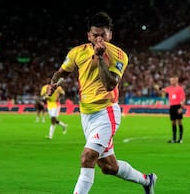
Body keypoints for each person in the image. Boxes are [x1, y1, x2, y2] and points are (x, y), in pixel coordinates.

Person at [47, 11, 156, 194]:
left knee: (87, 157)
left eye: (103, 35)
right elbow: (61, 73)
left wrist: (99, 57)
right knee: (108, 167)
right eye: (95, 35)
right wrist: (53, 84)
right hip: (86, 115)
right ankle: (147, 180)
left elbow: (109, 84)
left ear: (110, 35)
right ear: (89, 35)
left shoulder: (119, 55)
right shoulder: (77, 52)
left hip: (106, 113)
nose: (99, 39)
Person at [158, 75, 186, 143]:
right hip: (172, 107)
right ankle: (174, 138)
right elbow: (164, 90)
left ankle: (180, 139)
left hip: (178, 106)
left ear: (176, 80)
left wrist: (181, 108)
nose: (171, 82)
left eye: (172, 80)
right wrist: (158, 88)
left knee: (179, 122)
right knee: (173, 122)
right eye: (171, 80)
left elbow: (183, 99)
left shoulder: (180, 89)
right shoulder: (169, 88)